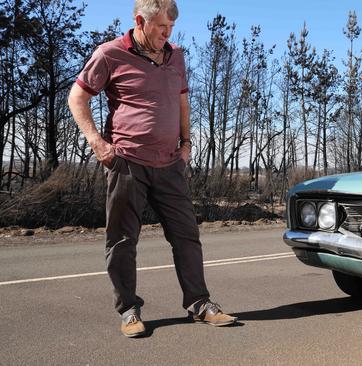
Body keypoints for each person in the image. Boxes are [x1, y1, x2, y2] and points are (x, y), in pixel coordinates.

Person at [68, 0, 237, 338]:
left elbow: (183, 100)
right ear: (140, 22)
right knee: (122, 241)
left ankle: (199, 304)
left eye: (171, 28)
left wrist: (186, 144)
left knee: (187, 236)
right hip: (127, 163)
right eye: (161, 27)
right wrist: (99, 144)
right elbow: (78, 97)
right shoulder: (110, 53)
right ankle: (129, 309)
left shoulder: (176, 55)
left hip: (170, 164)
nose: (167, 34)